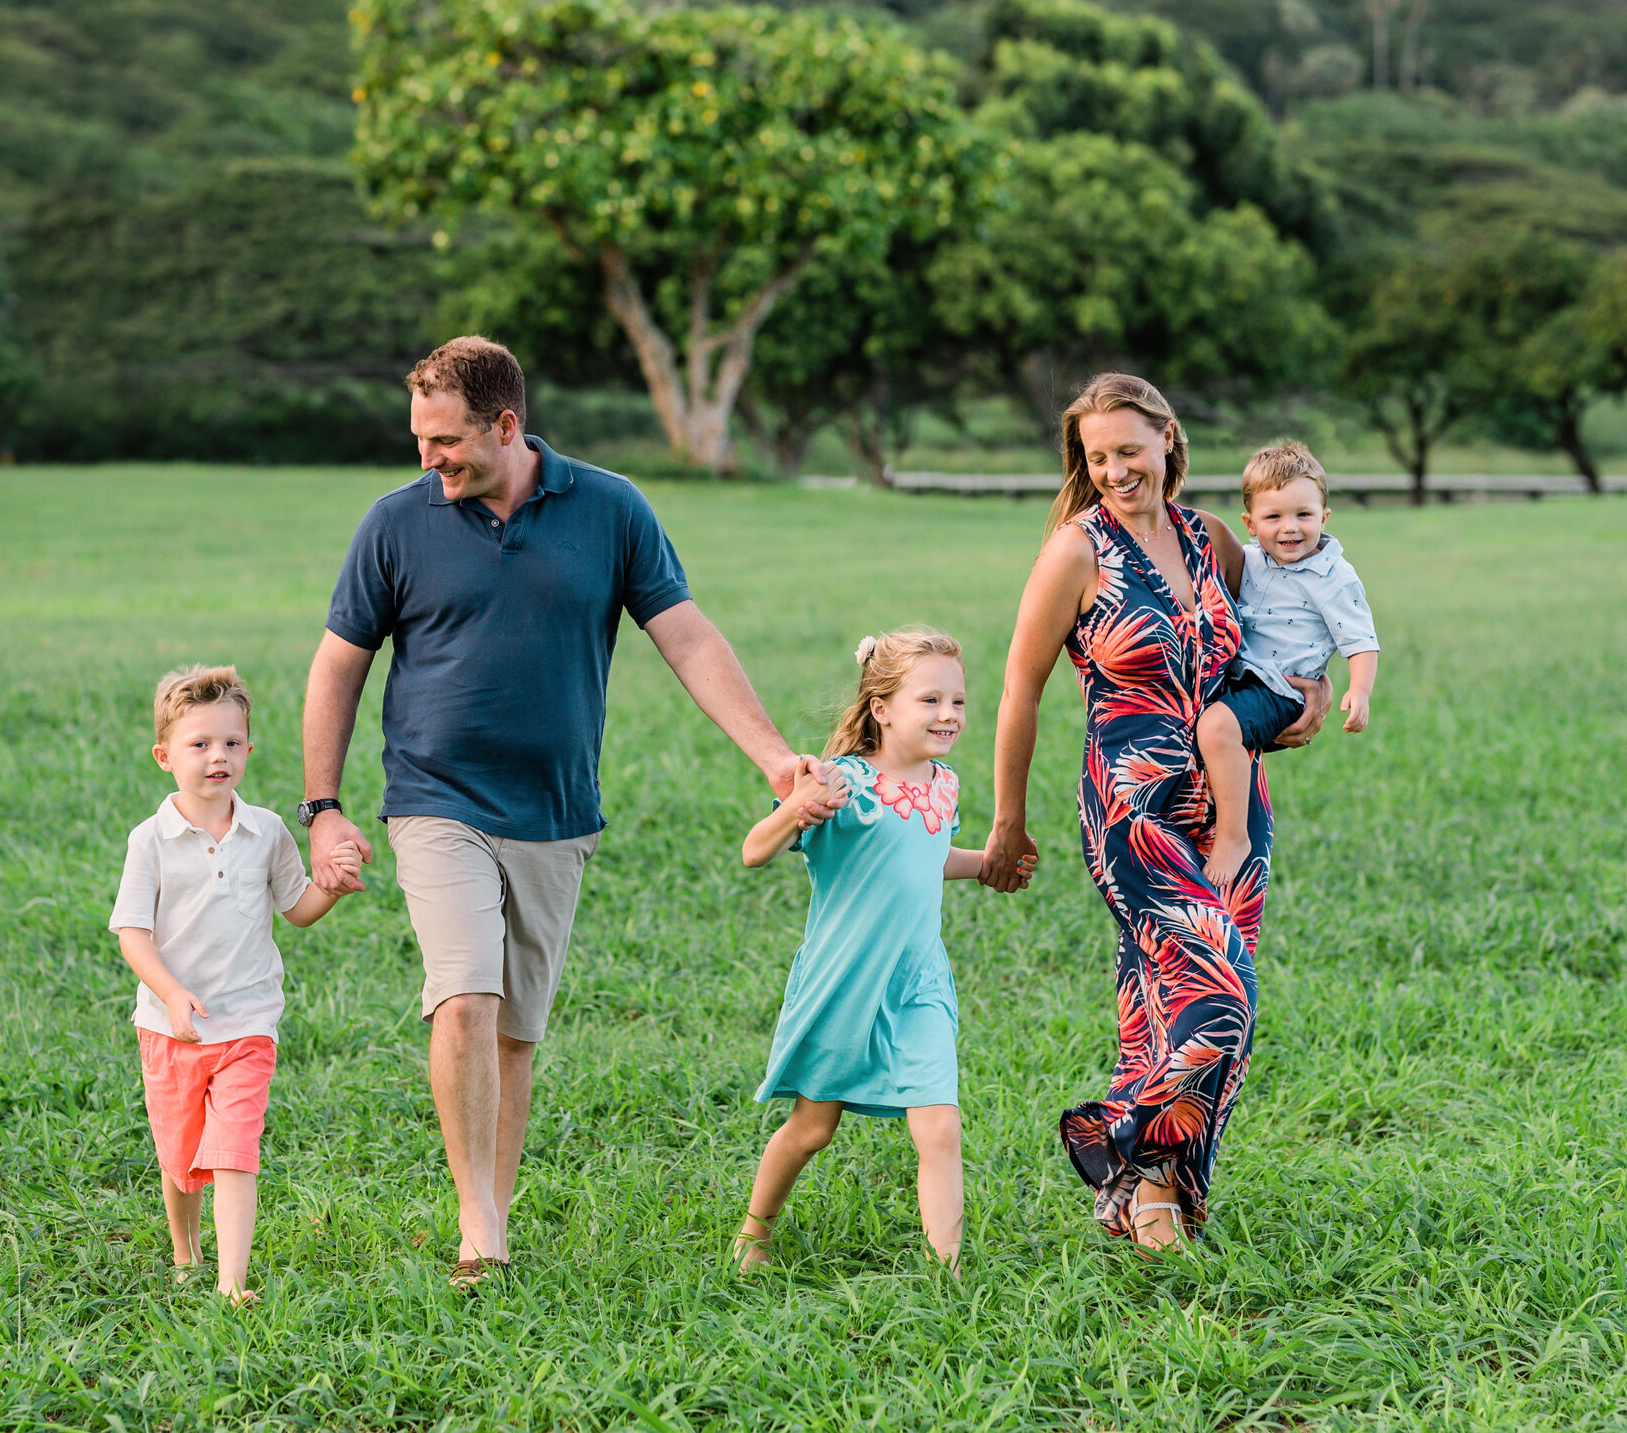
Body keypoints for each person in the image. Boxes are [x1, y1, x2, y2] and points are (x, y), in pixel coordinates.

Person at [298, 336, 813, 1291]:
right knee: (465, 992)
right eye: (417, 438)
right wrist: (322, 807)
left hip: (556, 813)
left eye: (445, 440)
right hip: (433, 799)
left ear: (507, 426)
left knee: (515, 1032)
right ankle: (478, 1225)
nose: (427, 459)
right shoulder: (395, 523)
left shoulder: (611, 508)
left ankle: (494, 1202)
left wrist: (776, 756)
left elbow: (687, 636)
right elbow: (340, 662)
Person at [979, 374, 1331, 1253]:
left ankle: (1151, 1200)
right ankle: (1116, 1138)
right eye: (1097, 456)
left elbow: (1275, 635)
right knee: (1223, 998)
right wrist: (1006, 821)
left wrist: (1310, 690)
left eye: (1128, 450)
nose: (1113, 470)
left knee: (1159, 1000)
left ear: (1169, 439)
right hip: (1132, 809)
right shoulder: (1076, 550)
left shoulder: (1213, 537)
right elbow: (1019, 692)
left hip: (1232, 806)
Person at [732, 629, 1035, 1272]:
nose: (948, 715)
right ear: (882, 708)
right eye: (930, 700)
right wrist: (798, 808)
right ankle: (755, 1232)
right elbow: (754, 850)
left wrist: (985, 864)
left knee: (940, 1127)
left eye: (958, 701)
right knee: (813, 1128)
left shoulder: (944, 784)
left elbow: (924, 858)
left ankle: (947, 1274)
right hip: (847, 981)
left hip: (918, 982)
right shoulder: (841, 782)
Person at [111, 665, 353, 1303]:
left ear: (248, 749)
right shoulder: (150, 841)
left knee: (235, 1150)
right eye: (199, 745)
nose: (217, 756)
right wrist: (171, 993)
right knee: (181, 1155)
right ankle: (185, 1250)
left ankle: (231, 1283)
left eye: (231, 743)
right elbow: (132, 933)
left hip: (247, 1021)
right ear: (165, 756)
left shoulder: (267, 831)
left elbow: (295, 907)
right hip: (172, 1028)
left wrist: (330, 885)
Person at [1193, 440, 1381, 889]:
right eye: (1274, 517)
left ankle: (1235, 838)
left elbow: (1360, 638)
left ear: (1324, 517)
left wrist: (1359, 689)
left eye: (1303, 515)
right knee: (1209, 728)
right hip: (1244, 677)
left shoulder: (1333, 575)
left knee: (1216, 729)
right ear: (1250, 523)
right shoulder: (1250, 559)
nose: (1289, 528)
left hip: (1282, 689)